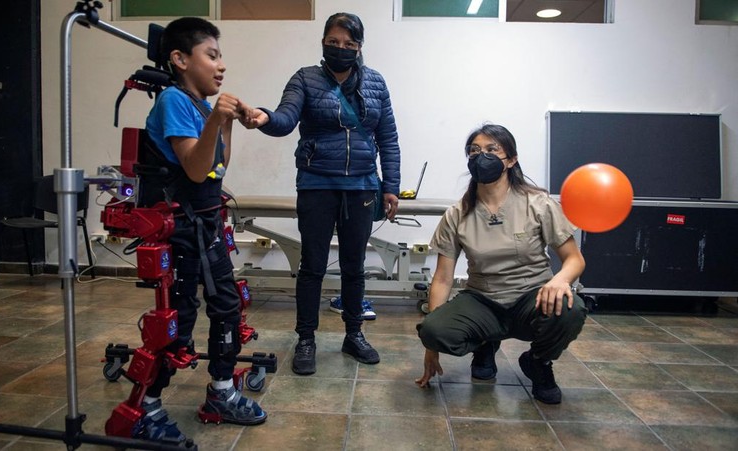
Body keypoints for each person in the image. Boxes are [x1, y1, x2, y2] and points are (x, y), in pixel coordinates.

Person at [241, 12, 401, 375]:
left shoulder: (375, 82)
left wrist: (391, 187)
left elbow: (388, 138)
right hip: (317, 185)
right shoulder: (305, 78)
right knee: (312, 266)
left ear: (359, 47)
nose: (341, 48)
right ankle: (306, 339)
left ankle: (354, 334)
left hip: (362, 186)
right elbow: (285, 118)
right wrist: (264, 118)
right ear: (323, 42)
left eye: (349, 43)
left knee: (353, 267)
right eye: (333, 42)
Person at [139, 17, 266, 443]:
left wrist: (225, 120)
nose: (221, 64)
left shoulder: (200, 108)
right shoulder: (173, 100)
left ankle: (221, 392)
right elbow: (195, 170)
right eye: (211, 55)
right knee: (179, 317)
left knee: (227, 306)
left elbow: (217, 166)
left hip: (205, 222)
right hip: (181, 226)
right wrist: (217, 118)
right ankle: (146, 406)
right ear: (180, 59)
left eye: (220, 56)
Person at [414, 124, 586, 405]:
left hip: (531, 297)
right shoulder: (457, 214)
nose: (482, 156)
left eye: (492, 150)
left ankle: (539, 362)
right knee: (435, 330)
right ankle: (485, 343)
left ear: (511, 160)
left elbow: (574, 259)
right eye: (474, 151)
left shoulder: (538, 204)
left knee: (571, 308)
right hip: (482, 299)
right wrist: (430, 346)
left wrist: (559, 280)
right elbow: (443, 279)